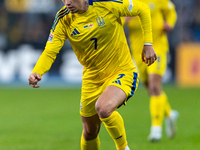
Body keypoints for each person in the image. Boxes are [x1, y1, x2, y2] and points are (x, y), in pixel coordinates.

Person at [28, 0, 157, 149]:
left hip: (121, 71)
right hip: (92, 79)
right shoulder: (63, 18)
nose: (67, 2)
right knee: (90, 132)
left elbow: (143, 9)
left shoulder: (107, 4)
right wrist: (37, 71)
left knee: (103, 108)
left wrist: (148, 43)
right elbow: (50, 51)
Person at [124, 0, 179, 142]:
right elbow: (114, 19)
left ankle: (156, 130)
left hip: (157, 47)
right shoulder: (126, 2)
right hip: (138, 52)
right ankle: (169, 115)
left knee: (155, 86)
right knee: (151, 89)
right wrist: (125, 19)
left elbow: (171, 10)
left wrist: (170, 23)